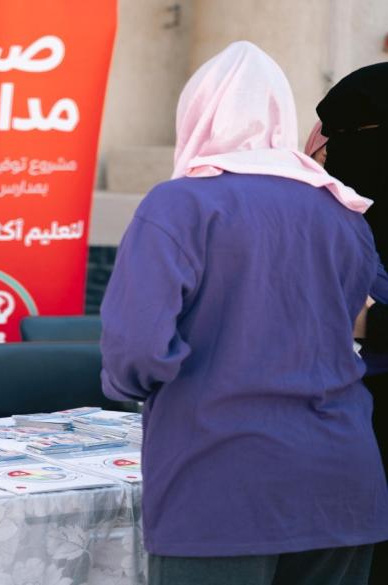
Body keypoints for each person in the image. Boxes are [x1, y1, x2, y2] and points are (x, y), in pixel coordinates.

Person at [100, 42, 388, 585]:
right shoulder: (343, 211)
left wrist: (131, 386)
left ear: (195, 113)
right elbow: (356, 324)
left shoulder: (178, 205)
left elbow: (136, 350)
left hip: (219, 478)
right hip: (342, 479)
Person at [316, 62, 388, 584]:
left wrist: (364, 323)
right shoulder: (341, 213)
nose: (331, 152)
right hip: (354, 426)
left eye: (347, 134)